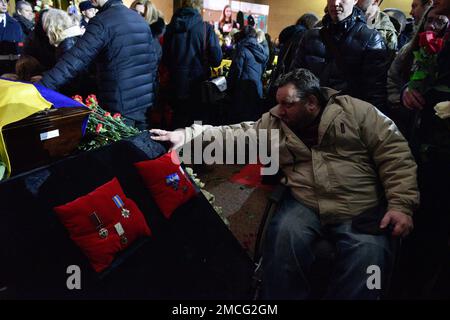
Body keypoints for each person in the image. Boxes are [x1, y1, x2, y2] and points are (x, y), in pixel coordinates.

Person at [149, 68, 419, 299]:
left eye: (287, 103)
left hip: (360, 205)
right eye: (278, 102)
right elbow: (236, 135)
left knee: (369, 261)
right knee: (281, 241)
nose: (279, 110)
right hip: (307, 202)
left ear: (311, 102)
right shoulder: (276, 122)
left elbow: (395, 154)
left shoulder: (358, 113)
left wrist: (401, 205)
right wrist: (186, 136)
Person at [39, 0, 159, 130]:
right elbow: (152, 64)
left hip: (119, 107)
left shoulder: (103, 21)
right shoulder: (139, 19)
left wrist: (39, 88)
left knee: (121, 149)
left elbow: (74, 60)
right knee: (141, 147)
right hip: (144, 105)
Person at [400, 0, 450, 298]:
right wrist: (408, 90)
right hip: (423, 142)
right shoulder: (432, 19)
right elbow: (409, 67)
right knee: (419, 226)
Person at [290, 0, 390, 113]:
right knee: (268, 128)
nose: (335, 3)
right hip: (310, 116)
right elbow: (295, 79)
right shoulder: (310, 37)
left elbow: (375, 94)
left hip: (348, 119)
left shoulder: (370, 38)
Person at [387, 6, 448, 136]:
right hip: (405, 124)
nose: (431, 26)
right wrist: (402, 97)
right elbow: (392, 79)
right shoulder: (408, 51)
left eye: (440, 22)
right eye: (429, 20)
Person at [162, 0, 222, 128]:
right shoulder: (205, 28)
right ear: (199, 8)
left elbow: (164, 57)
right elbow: (216, 59)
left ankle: (176, 148)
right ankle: (195, 148)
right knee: (197, 127)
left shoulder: (171, 28)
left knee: (177, 123)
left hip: (175, 85)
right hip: (198, 87)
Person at [227, 26, 268, 123]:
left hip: (242, 89)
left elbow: (236, 70)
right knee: (253, 121)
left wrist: (229, 87)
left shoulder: (241, 48)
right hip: (256, 87)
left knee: (239, 122)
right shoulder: (261, 49)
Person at [0, 0, 24, 74]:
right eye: (0, 1)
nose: (4, 4)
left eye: (6, 1)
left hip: (12, 70)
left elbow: (20, 46)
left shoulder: (15, 24)